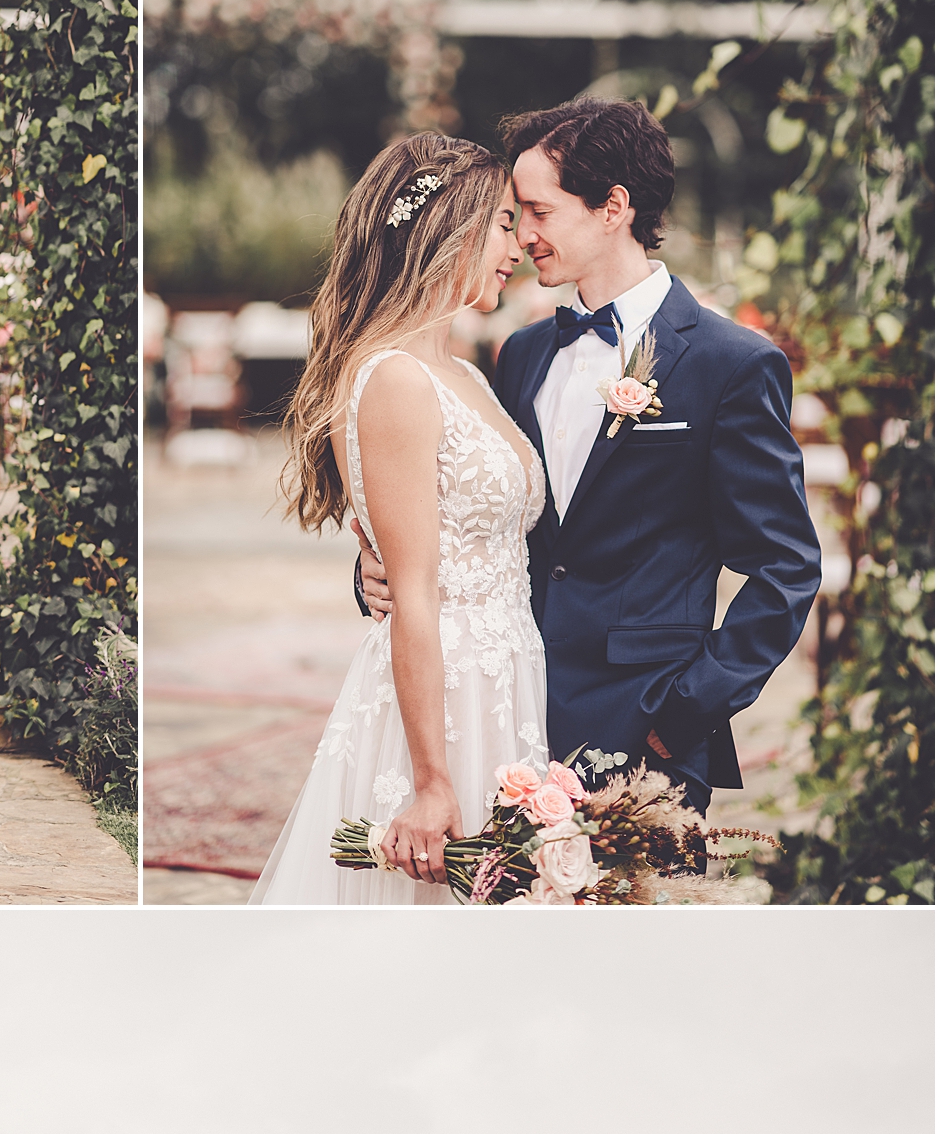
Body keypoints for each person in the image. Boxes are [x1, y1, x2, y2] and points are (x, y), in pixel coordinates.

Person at [355, 98, 821, 823]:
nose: (521, 234)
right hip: (505, 716)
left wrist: (688, 708)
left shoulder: (734, 364)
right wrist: (375, 568)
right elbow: (472, 503)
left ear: (613, 207)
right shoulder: (522, 354)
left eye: (537, 211)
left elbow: (787, 565)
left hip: (647, 730)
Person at [250, 133, 544, 905]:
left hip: (505, 677)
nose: (518, 245)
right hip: (442, 702)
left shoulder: (465, 373)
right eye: (505, 223)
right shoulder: (395, 379)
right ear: (448, 225)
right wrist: (433, 779)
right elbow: (414, 592)